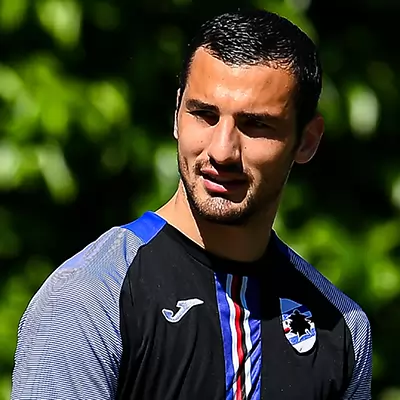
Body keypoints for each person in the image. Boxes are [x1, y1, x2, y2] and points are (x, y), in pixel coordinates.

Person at [11, 8, 372, 400]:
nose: (222, 150)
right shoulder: (88, 298)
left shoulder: (342, 329)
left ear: (307, 140)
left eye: (256, 125)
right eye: (204, 115)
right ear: (177, 115)